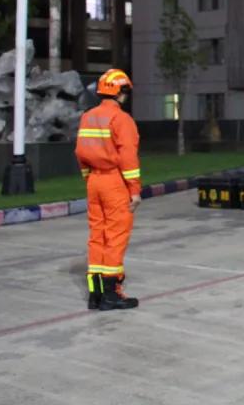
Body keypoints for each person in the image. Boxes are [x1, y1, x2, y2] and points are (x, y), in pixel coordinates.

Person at [76, 69, 141, 311]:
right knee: (115, 237)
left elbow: (80, 152)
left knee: (97, 236)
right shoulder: (121, 120)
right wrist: (134, 190)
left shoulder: (88, 117)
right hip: (114, 183)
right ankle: (112, 294)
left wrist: (88, 179)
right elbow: (128, 158)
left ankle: (96, 294)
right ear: (121, 92)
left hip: (94, 181)